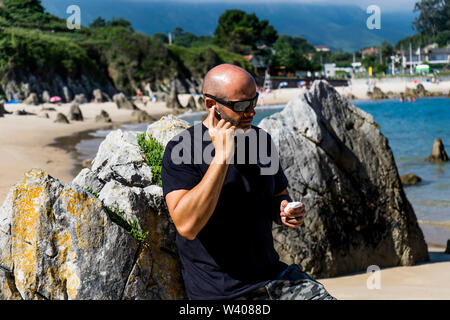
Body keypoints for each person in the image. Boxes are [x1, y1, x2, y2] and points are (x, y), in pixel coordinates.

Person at [161, 64, 335, 300]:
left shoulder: (260, 141)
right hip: (223, 293)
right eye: (241, 106)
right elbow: (186, 225)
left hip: (274, 278)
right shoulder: (182, 149)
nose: (251, 112)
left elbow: (278, 195)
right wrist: (221, 157)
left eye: (254, 101)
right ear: (212, 105)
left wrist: (283, 210)